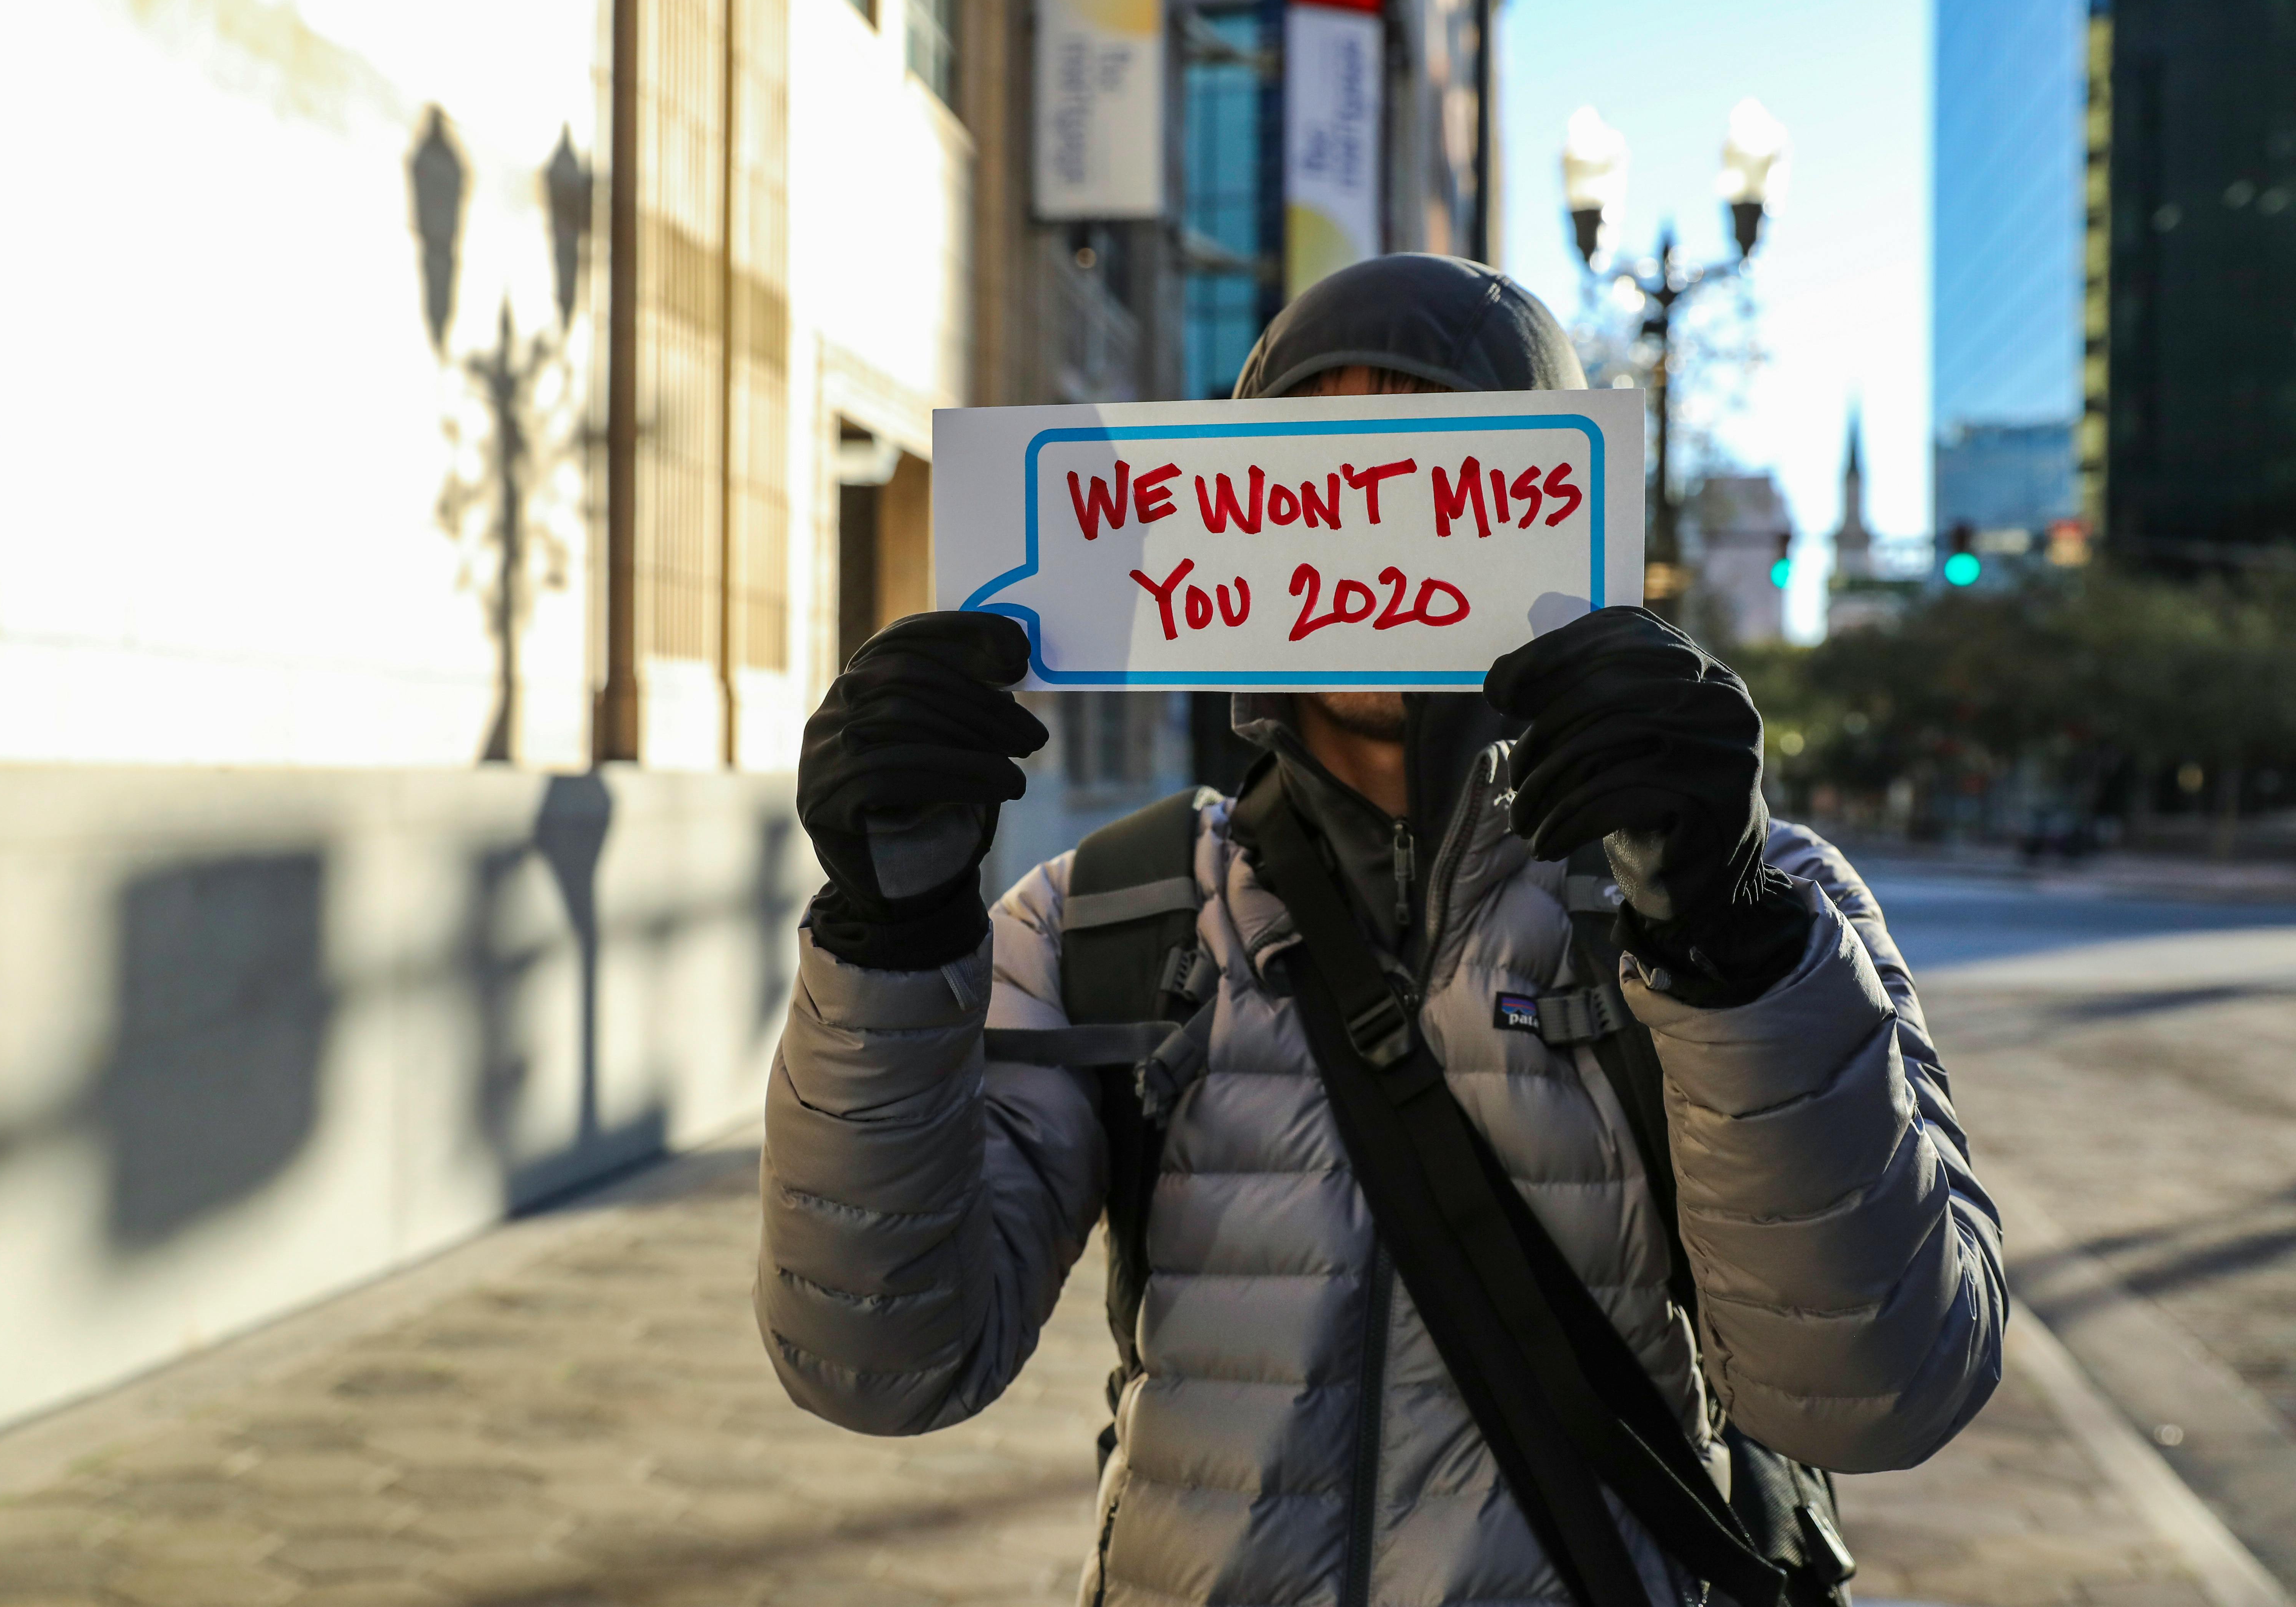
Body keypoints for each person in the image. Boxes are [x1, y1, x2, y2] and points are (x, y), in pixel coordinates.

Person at [758, 254, 2003, 1607]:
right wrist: (889, 938)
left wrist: (1731, 944)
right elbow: (879, 1364)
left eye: (1426, 475)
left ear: (1548, 510)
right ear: (1231, 521)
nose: (1363, 534)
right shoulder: (1102, 912)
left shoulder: (1756, 904)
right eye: (1313, 473)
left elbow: (1883, 1395)